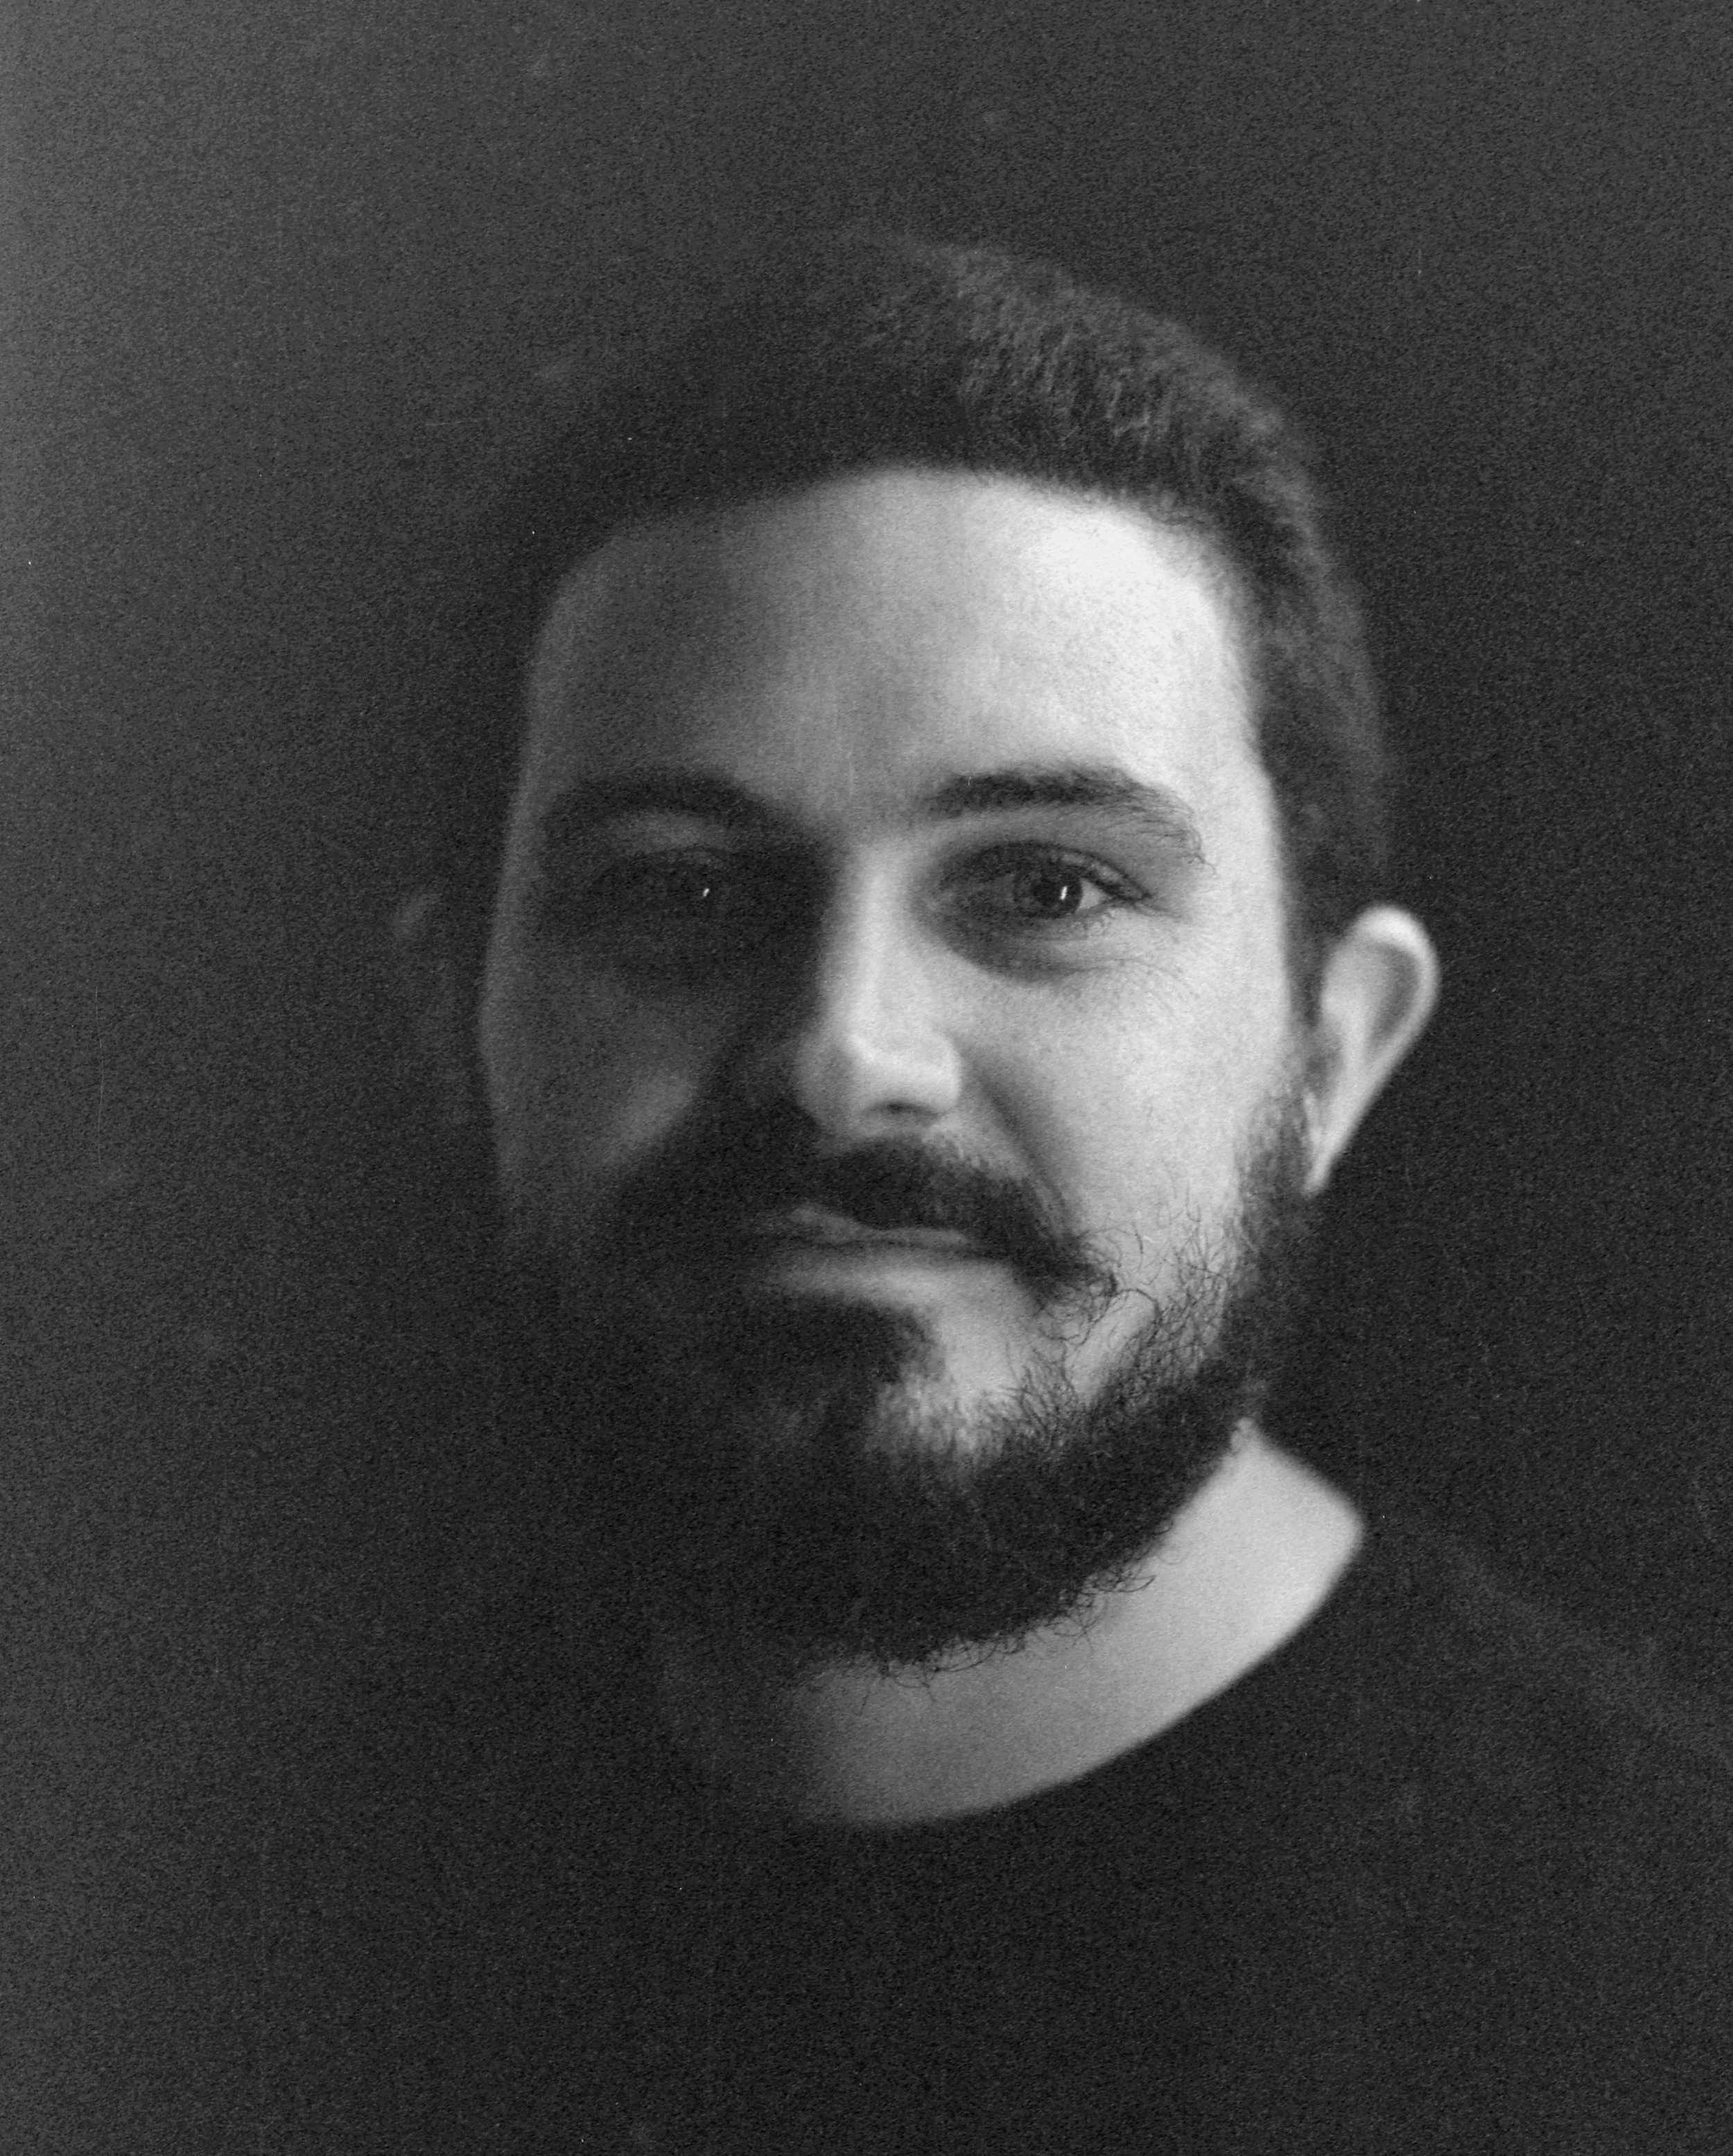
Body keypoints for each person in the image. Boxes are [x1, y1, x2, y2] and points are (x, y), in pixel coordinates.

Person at [390, 231, 1733, 2153]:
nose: (847, 1052)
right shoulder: (187, 1926)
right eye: (677, 893)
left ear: (1330, 1055)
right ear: (456, 1027)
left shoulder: (1672, 1997)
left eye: (1045, 887)